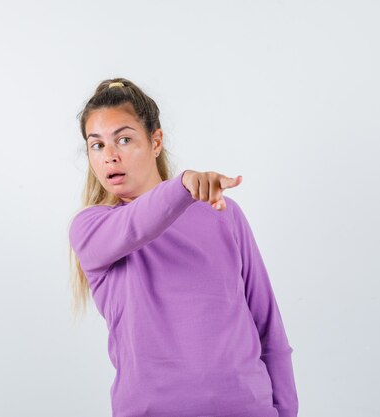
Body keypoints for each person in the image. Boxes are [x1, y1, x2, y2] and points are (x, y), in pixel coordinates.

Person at [68, 78, 299, 417]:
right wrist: (184, 184)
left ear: (155, 141)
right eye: (97, 145)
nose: (111, 156)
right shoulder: (92, 229)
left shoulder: (223, 214)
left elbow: (268, 328)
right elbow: (136, 225)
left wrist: (286, 411)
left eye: (125, 139)